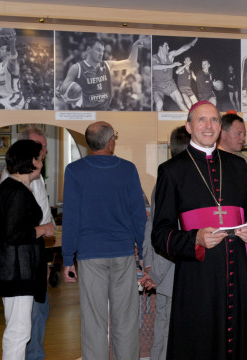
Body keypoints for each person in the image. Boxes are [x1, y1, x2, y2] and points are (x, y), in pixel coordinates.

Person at [152, 101, 247, 360]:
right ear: (189, 127)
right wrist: (195, 238)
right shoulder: (171, 170)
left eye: (214, 120)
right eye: (201, 120)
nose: (209, 126)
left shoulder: (237, 166)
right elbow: (160, 233)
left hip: (237, 270)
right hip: (197, 275)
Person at [61, 121, 147, 360]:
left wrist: (68, 258)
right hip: (123, 253)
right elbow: (139, 216)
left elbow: (71, 217)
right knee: (126, 320)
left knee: (93, 322)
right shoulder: (127, 169)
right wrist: (144, 254)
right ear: (111, 142)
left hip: (90, 254)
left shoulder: (75, 170)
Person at [0, 140, 55, 360]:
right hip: (16, 270)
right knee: (19, 331)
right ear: (31, 161)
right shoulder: (16, 190)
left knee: (18, 329)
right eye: (40, 159)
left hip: (18, 268)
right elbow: (14, 234)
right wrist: (43, 228)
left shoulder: (13, 187)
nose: (42, 164)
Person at [139, 126, 190, 360]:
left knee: (165, 331)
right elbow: (168, 233)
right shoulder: (176, 180)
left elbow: (152, 228)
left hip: (166, 273)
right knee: (167, 334)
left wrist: (149, 267)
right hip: (171, 274)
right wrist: (154, 271)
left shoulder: (165, 179)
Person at [58, 37, 143, 111]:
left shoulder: (107, 65)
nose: (101, 53)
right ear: (89, 50)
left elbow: (130, 63)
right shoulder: (76, 68)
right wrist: (63, 91)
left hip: (104, 111)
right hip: (86, 113)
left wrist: (134, 48)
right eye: (98, 50)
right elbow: (65, 88)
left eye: (102, 51)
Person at [152, 38, 198, 111]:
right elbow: (154, 67)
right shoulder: (154, 58)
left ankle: (189, 120)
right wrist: (171, 65)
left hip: (171, 85)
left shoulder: (170, 56)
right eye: (166, 46)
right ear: (160, 47)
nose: (168, 48)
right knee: (159, 104)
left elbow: (182, 49)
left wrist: (191, 44)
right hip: (158, 86)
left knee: (182, 104)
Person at [0, 29, 25, 110]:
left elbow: (14, 58)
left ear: (8, 53)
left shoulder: (12, 65)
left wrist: (12, 44)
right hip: (5, 99)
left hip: (15, 99)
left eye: (2, 49)